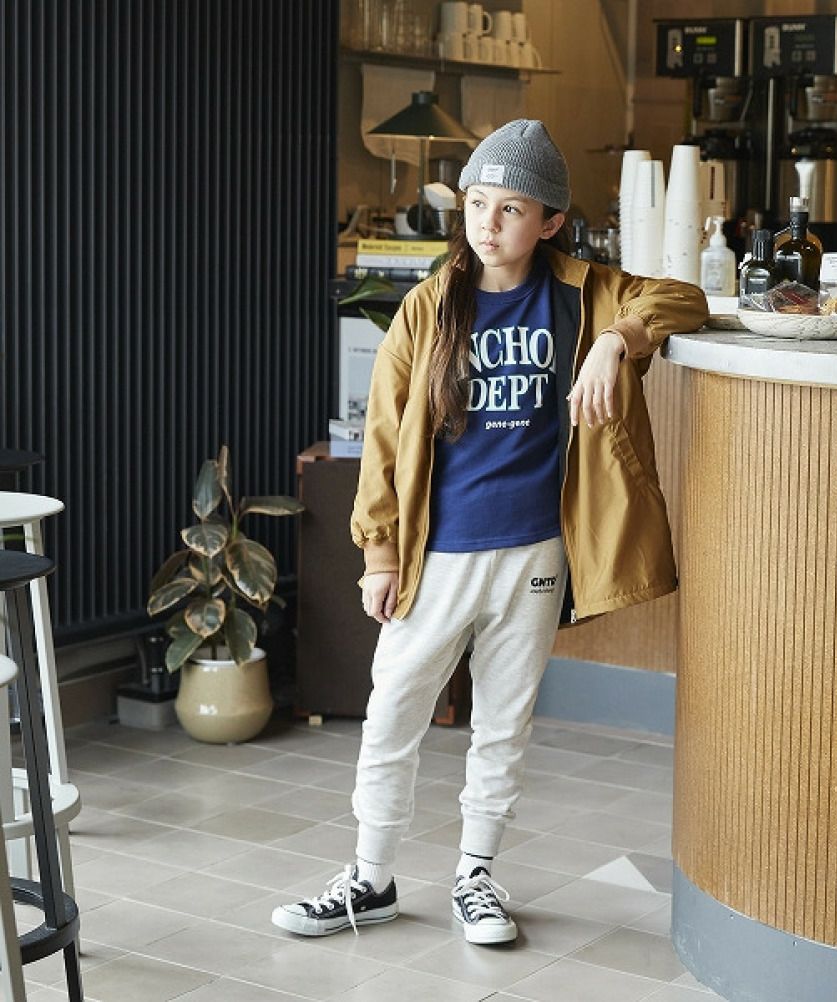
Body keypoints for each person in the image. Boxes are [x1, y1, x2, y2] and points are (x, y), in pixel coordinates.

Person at [272, 120, 708, 945]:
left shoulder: (585, 292)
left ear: (550, 222)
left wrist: (615, 342)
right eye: (477, 203)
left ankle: (476, 876)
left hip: (536, 549)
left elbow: (686, 298)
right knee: (393, 709)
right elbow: (385, 438)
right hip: (439, 552)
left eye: (512, 208)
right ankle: (369, 876)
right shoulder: (430, 304)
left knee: (503, 722)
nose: (489, 223)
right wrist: (379, 553)